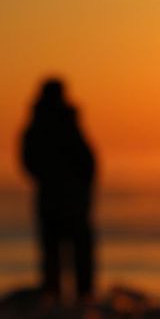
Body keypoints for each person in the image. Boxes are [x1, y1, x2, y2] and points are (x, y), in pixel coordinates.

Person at [22, 79, 96, 303]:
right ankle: (61, 296)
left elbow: (87, 161)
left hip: (68, 198)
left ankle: (78, 296)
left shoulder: (62, 121)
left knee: (71, 250)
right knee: (58, 251)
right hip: (59, 199)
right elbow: (30, 160)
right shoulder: (45, 124)